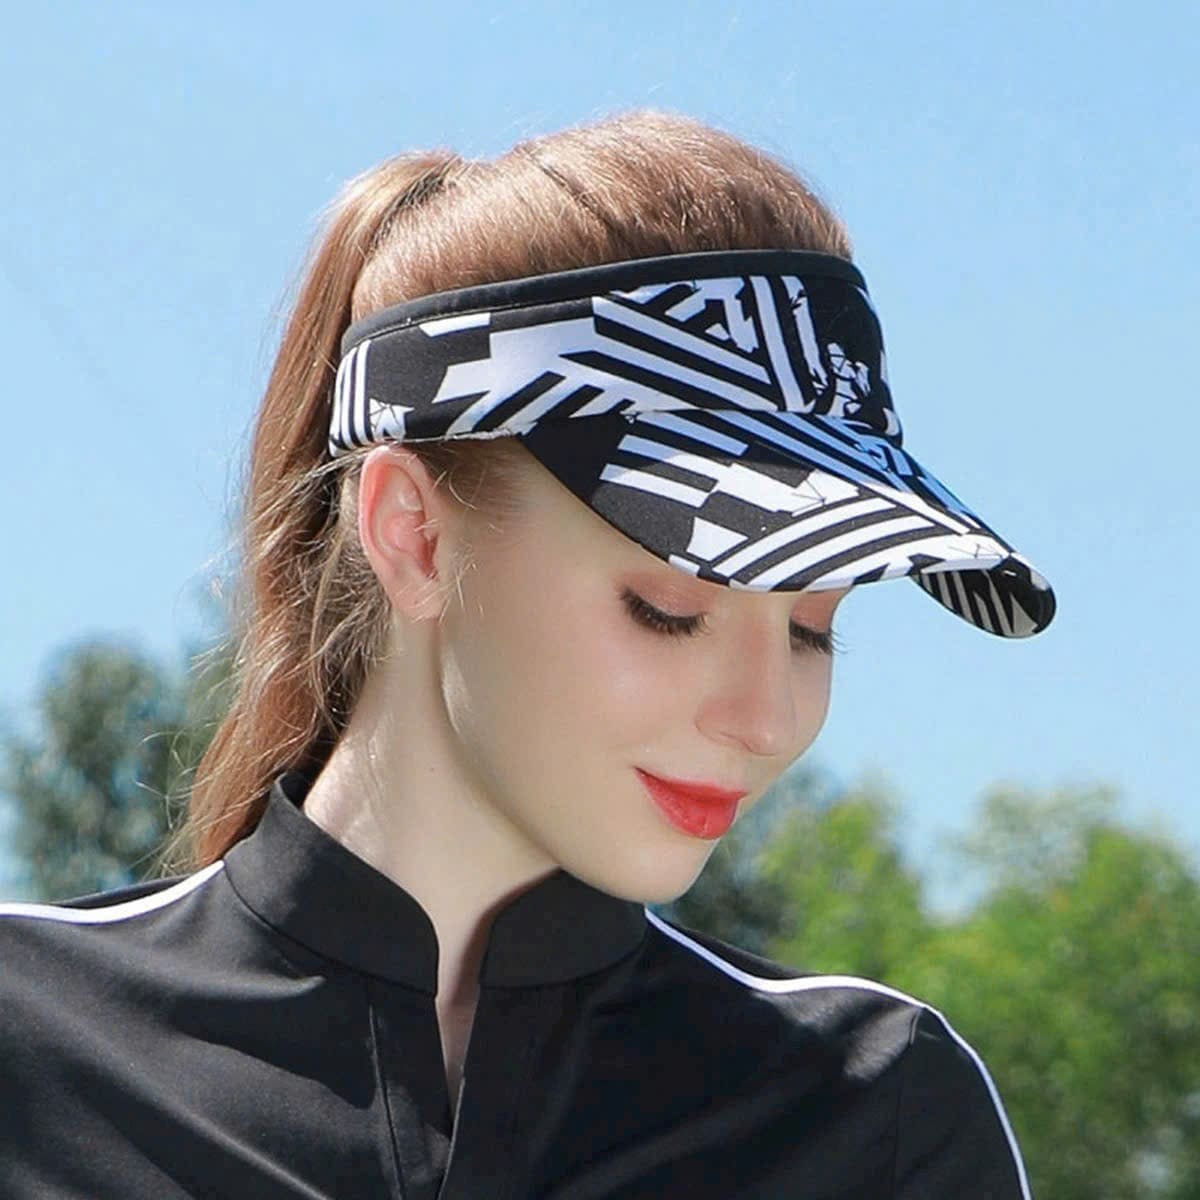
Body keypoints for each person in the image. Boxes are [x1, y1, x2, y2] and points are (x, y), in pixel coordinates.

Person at [0, 109, 1054, 1198]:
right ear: (412, 533)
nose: (765, 719)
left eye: (812, 628)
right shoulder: (27, 1043)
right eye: (670, 609)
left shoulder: (878, 1118)